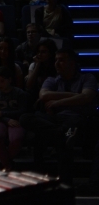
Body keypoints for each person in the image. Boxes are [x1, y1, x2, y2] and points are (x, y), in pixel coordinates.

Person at [22, 49, 96, 184]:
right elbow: (44, 96)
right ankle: (61, 133)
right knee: (26, 118)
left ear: (72, 63)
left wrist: (57, 102)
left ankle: (64, 183)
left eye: (61, 60)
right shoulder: (52, 80)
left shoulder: (87, 78)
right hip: (55, 120)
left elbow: (87, 97)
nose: (57, 63)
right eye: (56, 60)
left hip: (76, 119)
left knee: (64, 139)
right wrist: (76, 97)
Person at [0, 65, 30, 170]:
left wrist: (3, 114)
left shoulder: (20, 93)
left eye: (2, 81)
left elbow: (23, 111)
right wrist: (6, 119)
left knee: (17, 138)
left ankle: (5, 163)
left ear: (9, 80)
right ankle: (8, 165)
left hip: (15, 119)